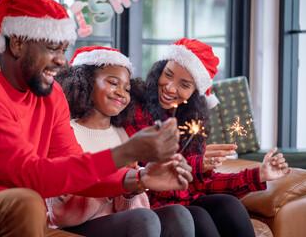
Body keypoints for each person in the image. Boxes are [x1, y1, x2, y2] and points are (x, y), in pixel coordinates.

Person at [0, 0, 191, 236]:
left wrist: (139, 177)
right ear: (17, 45)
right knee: (25, 202)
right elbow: (27, 175)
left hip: (28, 220)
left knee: (172, 219)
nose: (62, 61)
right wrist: (127, 151)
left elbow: (75, 165)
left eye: (63, 50)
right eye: (52, 49)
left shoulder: (50, 93)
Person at [125, 38, 291, 237]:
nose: (169, 88)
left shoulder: (191, 120)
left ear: (195, 93)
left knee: (229, 204)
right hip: (153, 204)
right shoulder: (135, 111)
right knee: (198, 215)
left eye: (184, 85)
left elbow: (205, 183)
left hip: (186, 201)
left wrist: (260, 175)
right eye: (167, 75)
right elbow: (152, 165)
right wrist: (198, 164)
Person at [47, 46, 195, 237]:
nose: (121, 93)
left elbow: (131, 209)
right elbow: (60, 214)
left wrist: (130, 191)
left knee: (178, 213)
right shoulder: (67, 132)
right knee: (144, 219)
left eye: (127, 88)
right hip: (74, 226)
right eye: (113, 83)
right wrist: (115, 178)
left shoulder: (122, 135)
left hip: (123, 223)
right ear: (85, 82)